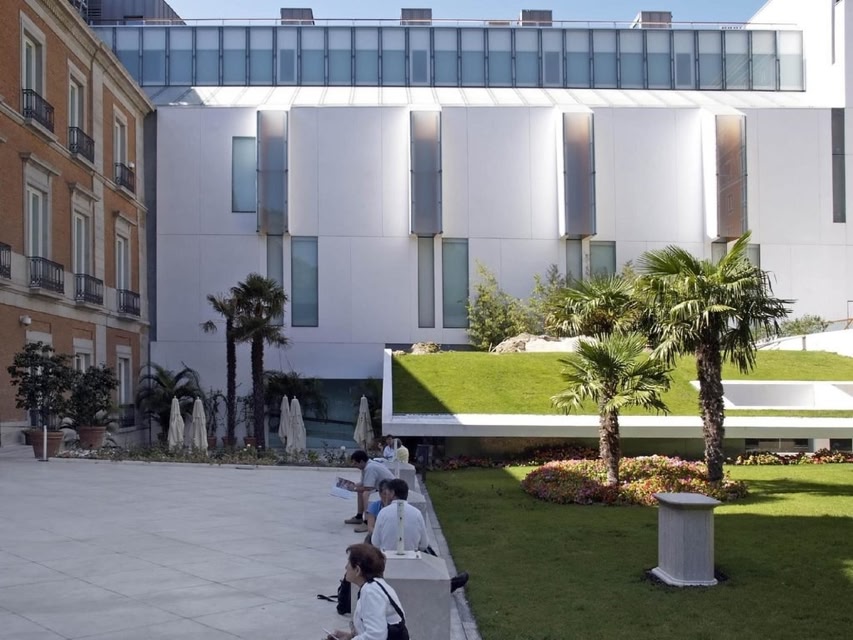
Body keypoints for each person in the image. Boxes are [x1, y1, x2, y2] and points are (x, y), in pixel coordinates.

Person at [371, 479, 470, 593]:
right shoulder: (416, 513)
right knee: (428, 549)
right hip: (411, 558)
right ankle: (445, 580)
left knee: (368, 540)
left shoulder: (383, 513)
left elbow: (375, 542)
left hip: (387, 558)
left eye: (387, 493)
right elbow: (423, 544)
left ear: (392, 493)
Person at [327, 543, 406, 640]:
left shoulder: (371, 592)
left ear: (357, 570)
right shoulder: (373, 587)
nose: (345, 567)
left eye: (348, 563)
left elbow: (376, 636)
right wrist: (350, 636)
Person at [346, 450, 394, 533]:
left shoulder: (370, 468)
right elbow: (363, 483)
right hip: (381, 488)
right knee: (360, 491)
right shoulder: (366, 466)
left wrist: (354, 488)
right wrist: (351, 485)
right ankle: (359, 516)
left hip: (389, 491)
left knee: (366, 494)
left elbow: (368, 488)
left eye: (355, 463)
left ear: (361, 461)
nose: (354, 465)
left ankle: (367, 521)